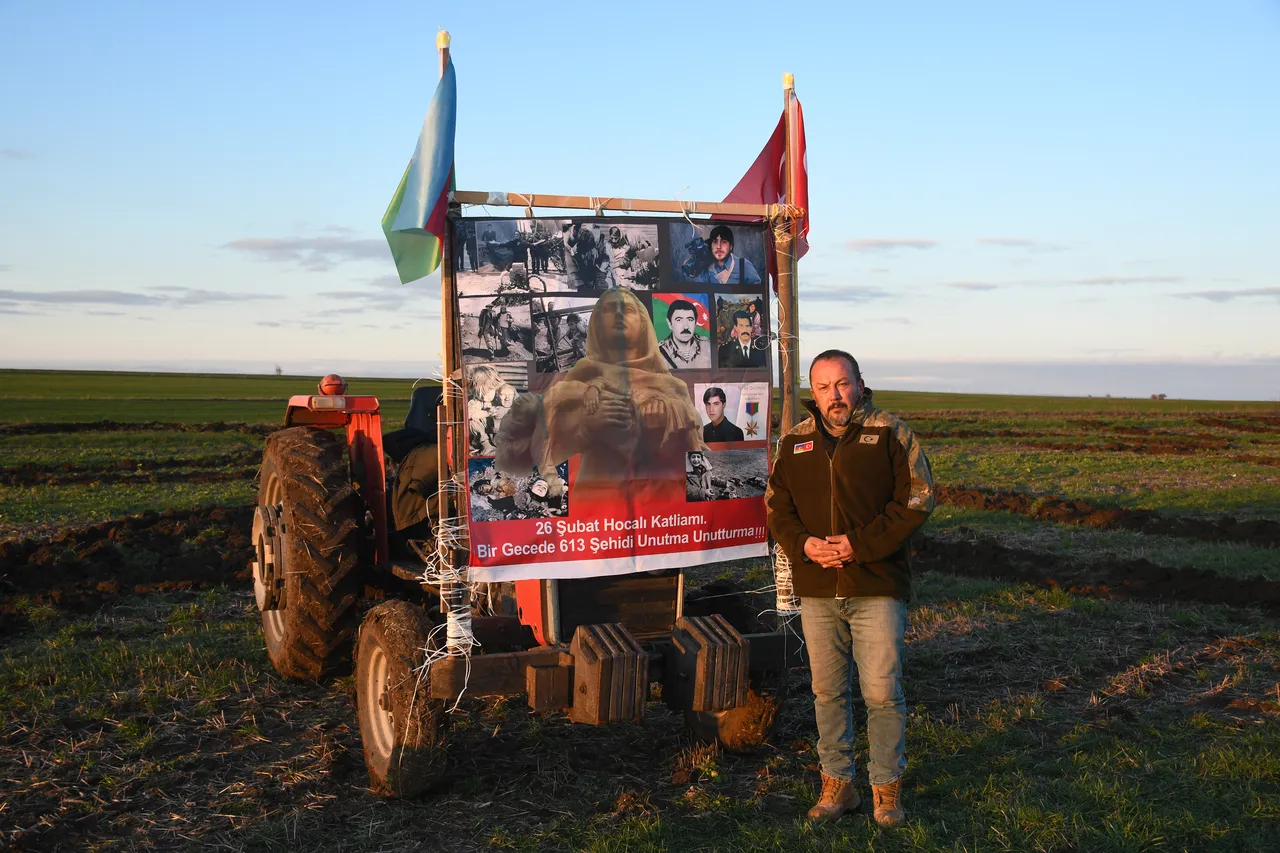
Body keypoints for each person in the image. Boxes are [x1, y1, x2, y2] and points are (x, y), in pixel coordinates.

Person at [765, 350, 934, 827]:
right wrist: (803, 545)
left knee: (881, 693)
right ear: (813, 392)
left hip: (876, 584)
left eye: (842, 384)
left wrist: (858, 545)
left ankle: (886, 790)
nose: (834, 395)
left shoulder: (891, 434)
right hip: (817, 588)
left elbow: (917, 500)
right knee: (827, 693)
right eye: (823, 387)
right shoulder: (795, 441)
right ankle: (838, 785)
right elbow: (777, 507)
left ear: (859, 383)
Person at [494, 287, 707, 486]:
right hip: (596, 499)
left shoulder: (673, 387)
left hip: (661, 500)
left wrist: (671, 419)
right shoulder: (582, 376)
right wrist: (584, 426)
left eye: (628, 309)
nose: (619, 314)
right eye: (610, 309)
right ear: (597, 325)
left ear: (643, 324)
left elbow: (702, 462)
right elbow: (519, 455)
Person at [688, 225, 761, 284]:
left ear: (731, 246)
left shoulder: (743, 265)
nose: (718, 246)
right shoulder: (704, 266)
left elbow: (757, 291)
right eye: (715, 242)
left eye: (723, 242)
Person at [658, 299, 711, 370]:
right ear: (669, 323)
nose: (686, 327)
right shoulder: (658, 352)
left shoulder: (707, 345)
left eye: (690, 319)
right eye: (679, 320)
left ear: (695, 323)